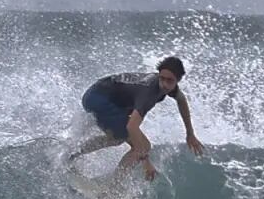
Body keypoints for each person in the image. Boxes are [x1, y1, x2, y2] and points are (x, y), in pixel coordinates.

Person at [68, 55, 204, 181]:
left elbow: (181, 100)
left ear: (178, 80)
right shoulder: (149, 93)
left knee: (127, 141)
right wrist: (146, 161)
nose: (164, 83)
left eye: (170, 80)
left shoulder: (168, 88)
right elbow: (132, 127)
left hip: (101, 95)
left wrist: (190, 134)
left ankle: (73, 155)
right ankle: (112, 187)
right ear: (158, 75)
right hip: (98, 99)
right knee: (134, 143)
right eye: (162, 78)